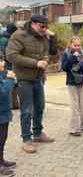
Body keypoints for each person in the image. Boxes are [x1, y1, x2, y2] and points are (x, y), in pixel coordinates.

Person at [6, 15, 57, 154]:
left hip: (38, 77)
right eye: (42, 26)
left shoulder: (43, 36)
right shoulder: (19, 35)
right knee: (26, 110)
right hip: (24, 79)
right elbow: (11, 55)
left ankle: (38, 133)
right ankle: (26, 139)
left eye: (47, 27)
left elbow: (51, 52)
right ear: (33, 24)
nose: (45, 29)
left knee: (40, 107)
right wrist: (35, 63)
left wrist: (52, 37)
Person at [61, 37, 83, 136]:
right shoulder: (66, 54)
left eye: (79, 45)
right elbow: (65, 68)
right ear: (71, 44)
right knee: (74, 106)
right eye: (75, 45)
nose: (77, 47)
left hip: (82, 81)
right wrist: (72, 58)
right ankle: (74, 129)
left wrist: (80, 66)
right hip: (72, 82)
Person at [0, 57, 16, 176]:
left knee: (3, 138)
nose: (3, 62)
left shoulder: (2, 73)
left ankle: (1, 160)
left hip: (4, 113)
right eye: (0, 61)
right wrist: (10, 79)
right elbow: (3, 93)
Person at [0, 24, 18, 110]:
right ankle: (11, 104)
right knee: (10, 83)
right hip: (8, 65)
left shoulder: (7, 38)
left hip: (8, 64)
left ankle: (14, 104)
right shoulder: (5, 40)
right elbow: (6, 54)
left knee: (13, 84)